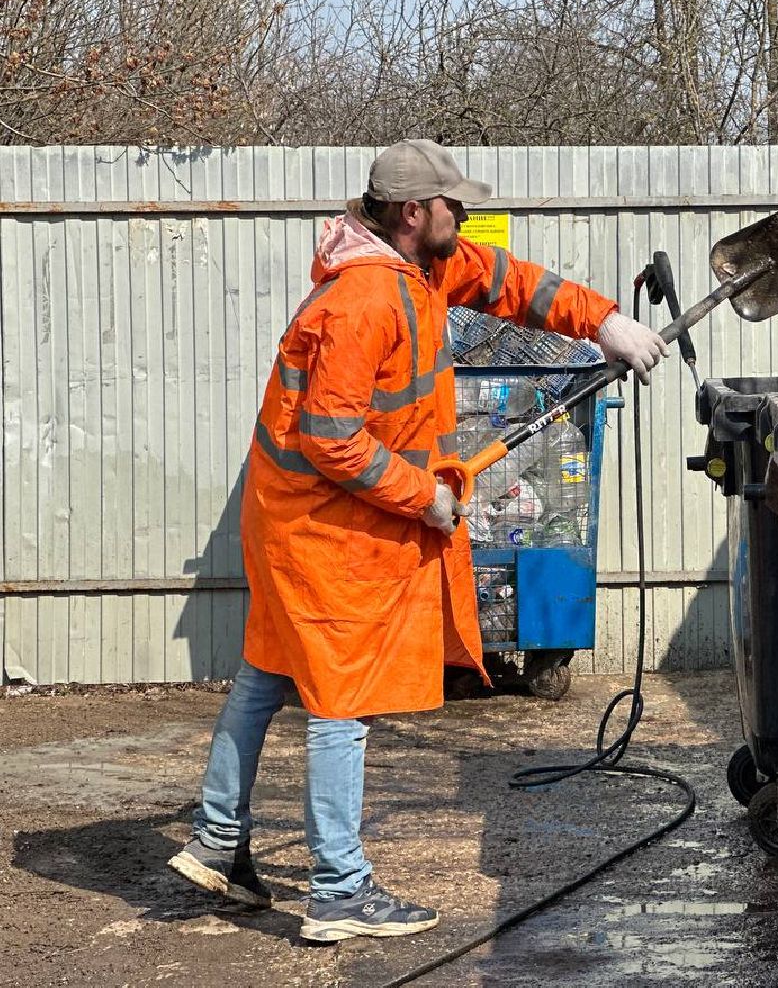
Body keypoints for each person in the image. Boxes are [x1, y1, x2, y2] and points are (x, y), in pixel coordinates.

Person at [167, 139, 667, 942]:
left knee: (266, 671)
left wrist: (603, 320)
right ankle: (337, 889)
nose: (461, 216)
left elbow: (511, 282)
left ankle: (218, 840)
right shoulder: (362, 302)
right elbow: (332, 438)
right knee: (343, 699)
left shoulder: (421, 269)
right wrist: (424, 497)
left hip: (304, 513)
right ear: (411, 214)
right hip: (321, 525)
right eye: (451, 205)